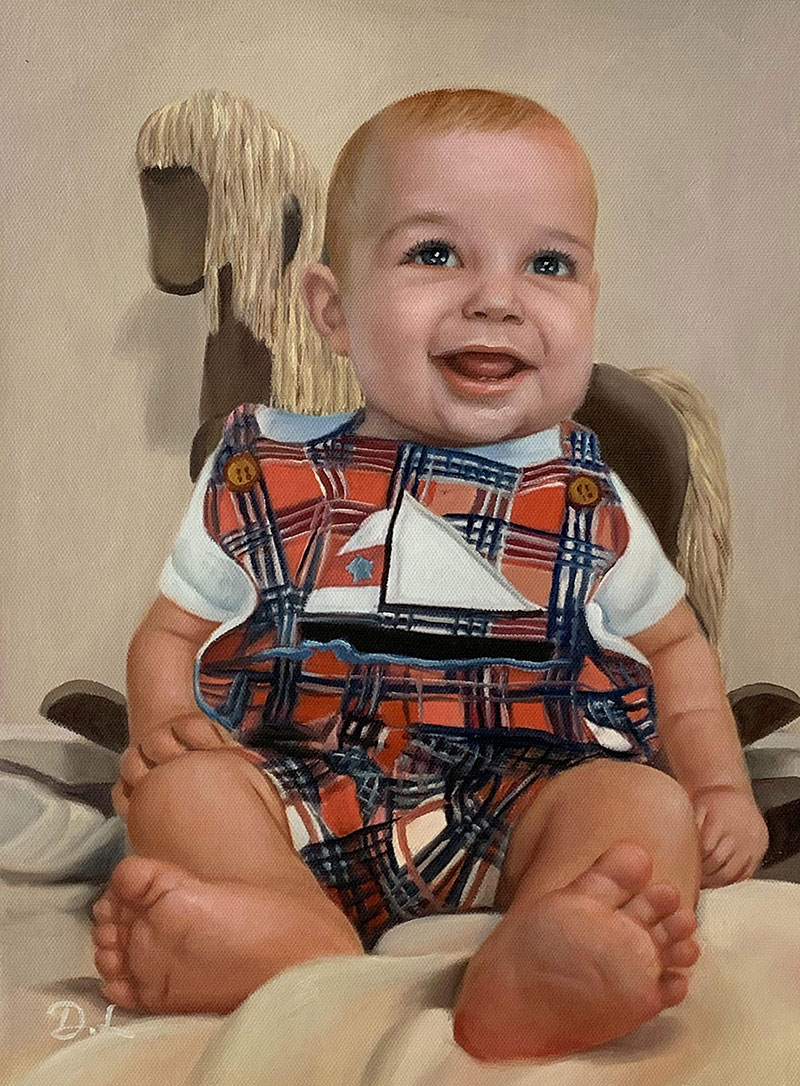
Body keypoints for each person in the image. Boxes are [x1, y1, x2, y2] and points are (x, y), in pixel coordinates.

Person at [91, 88, 769, 1062]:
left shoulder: (579, 494)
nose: (495, 295)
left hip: (521, 798)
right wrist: (166, 732)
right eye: (434, 253)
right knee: (178, 796)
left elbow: (674, 651)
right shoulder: (259, 467)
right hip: (301, 788)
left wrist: (717, 787)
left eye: (547, 263)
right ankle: (282, 926)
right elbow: (168, 633)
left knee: (636, 807)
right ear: (332, 310)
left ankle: (556, 948)